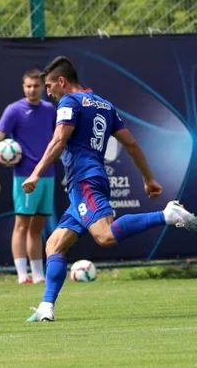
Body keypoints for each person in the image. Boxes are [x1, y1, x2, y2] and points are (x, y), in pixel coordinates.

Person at [23, 56, 196, 322]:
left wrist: (35, 173)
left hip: (84, 180)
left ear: (62, 81)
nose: (48, 93)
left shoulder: (70, 101)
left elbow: (59, 140)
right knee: (54, 244)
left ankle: (167, 215)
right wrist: (149, 178)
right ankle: (46, 306)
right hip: (88, 182)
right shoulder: (105, 105)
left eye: (49, 86)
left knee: (104, 237)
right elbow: (132, 145)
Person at [0, 68, 56, 284]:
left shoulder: (50, 109)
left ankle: (39, 274)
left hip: (48, 175)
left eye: (36, 86)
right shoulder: (14, 110)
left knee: (38, 227)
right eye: (28, 86)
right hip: (24, 176)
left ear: (43, 87)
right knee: (22, 224)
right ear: (23, 87)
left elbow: (59, 140)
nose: (32, 90)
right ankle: (22, 275)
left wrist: (68, 170)